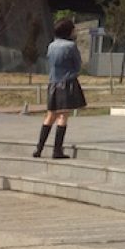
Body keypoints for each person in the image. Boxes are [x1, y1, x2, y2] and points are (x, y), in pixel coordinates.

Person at [33, 18, 85, 159]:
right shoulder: (70, 46)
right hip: (66, 82)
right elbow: (77, 65)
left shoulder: (51, 45)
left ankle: (39, 148)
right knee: (63, 116)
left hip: (53, 82)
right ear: (68, 31)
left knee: (50, 115)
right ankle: (57, 150)